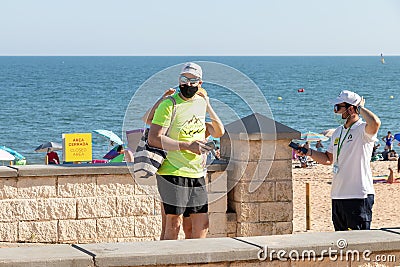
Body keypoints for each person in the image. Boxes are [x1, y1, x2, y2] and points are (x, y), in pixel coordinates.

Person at [147, 62, 224, 240]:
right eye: (184, 79)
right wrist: (187, 145)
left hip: (197, 172)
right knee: (173, 224)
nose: (188, 84)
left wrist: (208, 103)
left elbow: (219, 132)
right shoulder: (169, 104)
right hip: (171, 171)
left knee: (201, 224)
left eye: (193, 80)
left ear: (200, 83)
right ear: (179, 80)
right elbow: (154, 138)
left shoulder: (200, 103)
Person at [295, 90, 381, 231]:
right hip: (338, 195)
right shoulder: (338, 132)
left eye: (338, 107)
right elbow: (328, 159)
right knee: (342, 244)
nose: (336, 112)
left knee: (359, 245)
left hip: (358, 195)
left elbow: (376, 123)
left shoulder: (362, 130)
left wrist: (359, 108)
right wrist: (308, 152)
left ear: (351, 108)